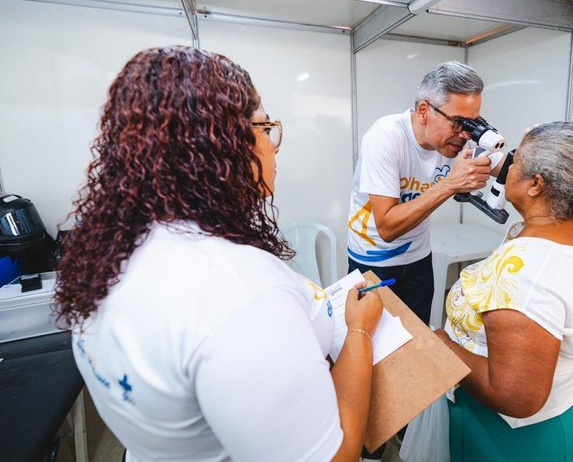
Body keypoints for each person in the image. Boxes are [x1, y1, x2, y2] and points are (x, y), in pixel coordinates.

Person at [53, 46, 383, 462]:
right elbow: (337, 457)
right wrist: (359, 332)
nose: (274, 146)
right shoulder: (240, 291)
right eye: (265, 127)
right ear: (221, 143)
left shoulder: (108, 250)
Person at [434, 121, 573, 461]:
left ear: (536, 184)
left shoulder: (527, 277)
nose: (507, 164)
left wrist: (443, 344)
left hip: (520, 434)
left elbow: (515, 397)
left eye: (516, 159)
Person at [347, 61, 503, 328]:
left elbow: (509, 168)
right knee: (373, 340)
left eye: (473, 123)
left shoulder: (460, 136)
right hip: (373, 259)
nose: (465, 134)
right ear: (423, 111)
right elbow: (387, 227)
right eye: (458, 122)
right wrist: (449, 185)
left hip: (418, 258)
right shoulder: (385, 137)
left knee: (418, 336)